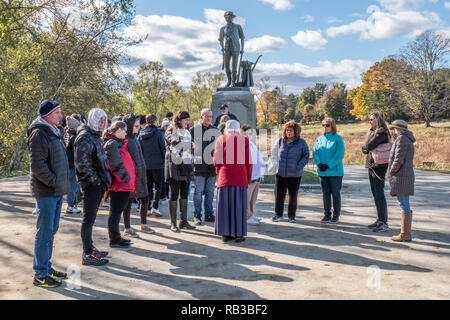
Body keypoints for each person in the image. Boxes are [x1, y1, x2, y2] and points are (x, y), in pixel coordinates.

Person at [28, 99, 70, 288]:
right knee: (44, 233)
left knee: (51, 231)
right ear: (46, 115)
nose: (60, 115)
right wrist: (54, 182)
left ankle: (46, 266)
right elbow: (37, 165)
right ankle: (40, 274)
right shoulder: (39, 133)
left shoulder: (53, 131)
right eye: (56, 112)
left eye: (60, 111)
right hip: (46, 191)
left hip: (56, 190)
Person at [75, 108, 111, 266]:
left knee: (91, 218)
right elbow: (83, 163)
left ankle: (90, 247)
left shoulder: (96, 135)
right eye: (100, 120)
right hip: (90, 184)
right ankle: (87, 253)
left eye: (104, 120)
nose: (102, 123)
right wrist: (96, 181)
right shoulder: (84, 136)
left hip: (98, 183)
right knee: (88, 219)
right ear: (92, 119)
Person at [214, 120, 252, 242]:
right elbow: (248, 161)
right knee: (239, 205)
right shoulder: (244, 140)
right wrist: (248, 176)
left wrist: (219, 171)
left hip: (225, 175)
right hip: (240, 175)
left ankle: (226, 233)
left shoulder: (220, 139)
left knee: (225, 205)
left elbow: (216, 159)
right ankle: (239, 234)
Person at [104, 121, 137, 248]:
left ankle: (116, 237)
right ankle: (114, 239)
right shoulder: (112, 144)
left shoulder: (118, 143)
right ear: (118, 130)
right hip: (119, 184)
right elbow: (115, 164)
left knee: (117, 212)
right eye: (124, 130)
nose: (126, 132)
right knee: (115, 212)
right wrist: (125, 177)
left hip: (123, 184)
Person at [269, 120, 309, 223]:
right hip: (280, 173)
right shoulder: (280, 141)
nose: (288, 132)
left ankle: (291, 216)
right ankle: (278, 214)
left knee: (293, 196)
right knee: (279, 195)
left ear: (296, 132)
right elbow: (272, 153)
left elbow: (306, 156)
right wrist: (274, 164)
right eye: (287, 130)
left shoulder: (301, 142)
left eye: (290, 130)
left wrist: (298, 167)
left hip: (295, 174)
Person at [123, 114, 155, 236]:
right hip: (132, 176)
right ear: (130, 126)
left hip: (141, 174)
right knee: (129, 202)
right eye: (136, 125)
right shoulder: (126, 140)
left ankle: (143, 224)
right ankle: (127, 227)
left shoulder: (135, 138)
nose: (138, 127)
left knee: (145, 198)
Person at [164, 111, 196, 232]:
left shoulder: (187, 131)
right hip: (174, 166)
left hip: (186, 166)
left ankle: (184, 221)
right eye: (185, 120)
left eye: (188, 120)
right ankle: (173, 223)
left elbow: (191, 146)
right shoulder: (170, 129)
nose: (187, 122)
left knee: (184, 194)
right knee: (174, 194)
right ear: (179, 120)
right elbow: (172, 141)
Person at [362, 111, 392, 232]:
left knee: (379, 195)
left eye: (372, 119)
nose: (370, 121)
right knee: (375, 194)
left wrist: (366, 147)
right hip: (372, 166)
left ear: (378, 120)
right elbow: (367, 147)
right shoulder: (374, 133)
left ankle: (383, 222)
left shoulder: (382, 133)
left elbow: (368, 146)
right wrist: (366, 147)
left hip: (378, 167)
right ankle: (380, 219)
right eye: (369, 119)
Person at [190, 108, 220, 225]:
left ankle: (209, 214)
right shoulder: (193, 130)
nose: (209, 118)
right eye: (206, 116)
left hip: (212, 168)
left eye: (210, 116)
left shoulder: (215, 130)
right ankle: (197, 215)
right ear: (201, 117)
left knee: (210, 193)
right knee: (198, 193)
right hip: (199, 167)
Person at [313, 118, 346, 224]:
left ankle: (336, 215)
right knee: (325, 193)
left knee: (335, 193)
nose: (324, 127)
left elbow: (339, 154)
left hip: (335, 172)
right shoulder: (319, 139)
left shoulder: (338, 139)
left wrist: (329, 165)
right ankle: (327, 215)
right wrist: (319, 164)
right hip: (323, 171)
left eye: (327, 125)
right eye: (323, 125)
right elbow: (315, 152)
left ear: (332, 126)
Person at [388, 120, 416, 242]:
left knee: (404, 204)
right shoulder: (404, 138)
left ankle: (405, 234)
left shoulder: (401, 139)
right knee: (404, 203)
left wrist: (391, 172)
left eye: (393, 128)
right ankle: (405, 233)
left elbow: (398, 159)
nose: (392, 131)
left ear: (398, 129)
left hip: (402, 176)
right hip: (404, 175)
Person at [139, 114, 165, 217]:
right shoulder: (158, 133)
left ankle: (147, 207)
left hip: (145, 163)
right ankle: (155, 207)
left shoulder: (141, 133)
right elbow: (163, 148)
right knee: (158, 186)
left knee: (148, 186)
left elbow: (139, 148)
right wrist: (164, 161)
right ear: (155, 121)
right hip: (158, 163)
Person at [242, 125, 266, 225]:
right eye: (246, 134)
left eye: (250, 134)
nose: (248, 136)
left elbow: (259, 159)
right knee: (247, 197)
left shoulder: (252, 144)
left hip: (257, 176)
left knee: (253, 198)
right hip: (249, 176)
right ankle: (246, 216)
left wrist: (262, 173)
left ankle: (251, 214)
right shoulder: (242, 145)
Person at [219, 11, 245, 87]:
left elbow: (242, 38)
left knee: (234, 65)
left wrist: (242, 48)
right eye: (226, 17)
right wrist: (222, 47)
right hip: (227, 49)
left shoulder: (238, 27)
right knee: (227, 66)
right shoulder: (223, 28)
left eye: (229, 17)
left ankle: (233, 82)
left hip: (236, 48)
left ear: (232, 18)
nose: (227, 18)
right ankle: (229, 81)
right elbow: (220, 39)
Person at [64, 116, 81, 214]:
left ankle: (73, 204)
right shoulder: (74, 137)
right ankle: (71, 205)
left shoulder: (67, 135)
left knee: (74, 185)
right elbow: (76, 152)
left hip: (70, 164)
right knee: (73, 185)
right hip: (72, 164)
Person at [159, 119, 172, 204]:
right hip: (162, 159)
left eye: (168, 125)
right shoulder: (160, 134)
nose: (167, 127)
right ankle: (163, 196)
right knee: (163, 180)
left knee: (167, 180)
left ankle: (166, 195)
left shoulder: (170, 134)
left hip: (166, 159)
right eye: (166, 126)